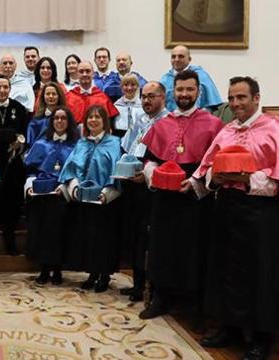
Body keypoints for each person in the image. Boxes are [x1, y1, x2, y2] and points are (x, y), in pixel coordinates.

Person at [194, 77, 279, 360]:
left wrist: (245, 179)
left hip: (262, 215)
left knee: (261, 275)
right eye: (231, 98)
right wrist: (214, 178)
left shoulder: (278, 130)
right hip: (228, 211)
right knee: (226, 270)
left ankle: (261, 337)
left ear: (256, 98)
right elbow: (206, 171)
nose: (235, 104)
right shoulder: (226, 131)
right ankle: (229, 327)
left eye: (241, 97)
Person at [138, 70, 224, 320]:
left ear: (198, 92)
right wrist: (155, 176)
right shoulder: (162, 124)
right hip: (165, 196)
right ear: (173, 92)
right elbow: (149, 161)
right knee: (162, 247)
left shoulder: (213, 124)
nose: (184, 94)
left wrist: (196, 183)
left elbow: (215, 163)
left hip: (195, 197)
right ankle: (161, 298)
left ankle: (196, 304)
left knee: (195, 248)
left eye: (189, 89)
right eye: (180, 89)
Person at [59, 105, 122, 293]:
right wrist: (75, 186)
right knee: (87, 237)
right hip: (84, 198)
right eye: (90, 117)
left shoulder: (114, 142)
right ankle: (92, 273)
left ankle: (104, 274)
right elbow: (70, 168)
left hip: (104, 200)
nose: (93, 120)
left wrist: (106, 193)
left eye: (98, 117)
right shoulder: (82, 143)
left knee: (103, 239)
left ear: (105, 121)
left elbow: (116, 170)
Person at [117, 81, 169, 303]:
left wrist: (147, 176)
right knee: (136, 236)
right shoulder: (139, 120)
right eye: (144, 96)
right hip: (133, 184)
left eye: (152, 96)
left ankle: (155, 289)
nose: (147, 100)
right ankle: (137, 285)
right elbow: (129, 147)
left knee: (150, 239)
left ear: (163, 98)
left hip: (153, 188)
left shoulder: (168, 123)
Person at [24, 107, 78, 285]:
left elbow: (77, 172)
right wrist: (30, 187)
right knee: (41, 232)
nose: (60, 122)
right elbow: (30, 170)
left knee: (59, 233)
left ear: (68, 122)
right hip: (41, 196)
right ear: (51, 121)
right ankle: (44, 269)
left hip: (61, 197)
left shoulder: (75, 146)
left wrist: (65, 187)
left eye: (63, 118)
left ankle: (57, 270)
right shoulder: (41, 144)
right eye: (56, 118)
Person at [0, 74, 29, 256]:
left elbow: (24, 133)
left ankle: (10, 240)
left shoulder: (19, 108)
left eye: (5, 87)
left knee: (12, 201)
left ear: (10, 89)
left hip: (13, 160)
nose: (2, 90)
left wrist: (19, 141)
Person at [160, 45, 222, 112]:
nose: (176, 59)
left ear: (189, 59)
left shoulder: (201, 76)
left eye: (181, 56)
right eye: (173, 57)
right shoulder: (165, 79)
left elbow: (211, 105)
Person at [27, 82, 67, 149]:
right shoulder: (36, 121)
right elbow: (32, 142)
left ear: (59, 96)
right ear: (43, 96)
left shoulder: (67, 118)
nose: (51, 96)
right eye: (48, 94)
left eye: (54, 94)